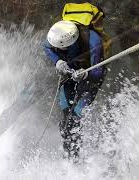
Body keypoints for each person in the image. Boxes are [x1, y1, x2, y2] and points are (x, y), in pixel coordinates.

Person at [43, 19, 107, 160]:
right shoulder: (58, 36)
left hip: (90, 78)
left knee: (75, 115)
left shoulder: (93, 41)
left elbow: (100, 72)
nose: (58, 51)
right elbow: (46, 46)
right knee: (66, 117)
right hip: (70, 75)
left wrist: (85, 74)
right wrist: (57, 61)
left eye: (61, 50)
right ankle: (70, 157)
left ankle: (75, 162)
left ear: (70, 43)